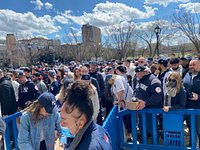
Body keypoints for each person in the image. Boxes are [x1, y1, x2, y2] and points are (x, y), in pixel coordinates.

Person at [60, 80, 112, 150]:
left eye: (64, 121)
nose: (61, 124)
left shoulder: (89, 147)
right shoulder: (100, 130)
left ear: (80, 123)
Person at [183, 59, 200, 147]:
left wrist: (198, 96)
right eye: (190, 65)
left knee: (198, 129)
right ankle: (191, 145)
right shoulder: (186, 74)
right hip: (187, 107)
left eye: (194, 64)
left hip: (198, 109)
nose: (191, 67)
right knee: (190, 128)